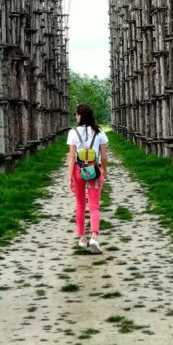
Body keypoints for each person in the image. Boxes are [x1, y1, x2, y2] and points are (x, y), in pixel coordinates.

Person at [67, 103, 108, 254]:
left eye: (76, 114)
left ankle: (82, 238)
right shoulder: (98, 132)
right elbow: (103, 155)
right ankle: (94, 237)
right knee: (94, 205)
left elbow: (71, 157)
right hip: (94, 171)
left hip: (78, 170)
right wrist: (104, 170)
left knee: (79, 204)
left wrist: (69, 176)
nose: (76, 117)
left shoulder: (73, 133)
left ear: (80, 115)